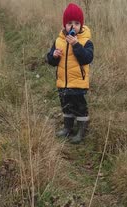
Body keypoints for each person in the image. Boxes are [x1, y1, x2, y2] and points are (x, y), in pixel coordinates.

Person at [45, 3, 94, 144]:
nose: (73, 27)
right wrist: (53, 56)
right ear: (64, 25)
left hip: (78, 82)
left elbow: (87, 58)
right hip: (62, 82)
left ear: (82, 25)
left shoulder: (86, 41)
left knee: (79, 107)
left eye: (77, 23)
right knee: (66, 105)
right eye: (69, 23)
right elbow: (51, 61)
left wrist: (76, 45)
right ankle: (68, 128)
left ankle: (81, 131)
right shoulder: (59, 41)